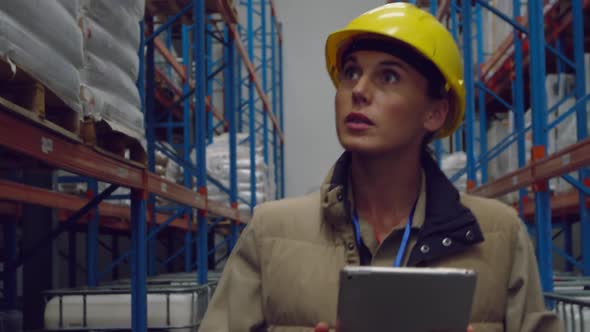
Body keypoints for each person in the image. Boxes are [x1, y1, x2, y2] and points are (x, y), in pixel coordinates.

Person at [198, 3, 563, 332]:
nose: (358, 90)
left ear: (435, 112)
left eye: (388, 77)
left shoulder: (498, 235)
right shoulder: (270, 233)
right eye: (351, 72)